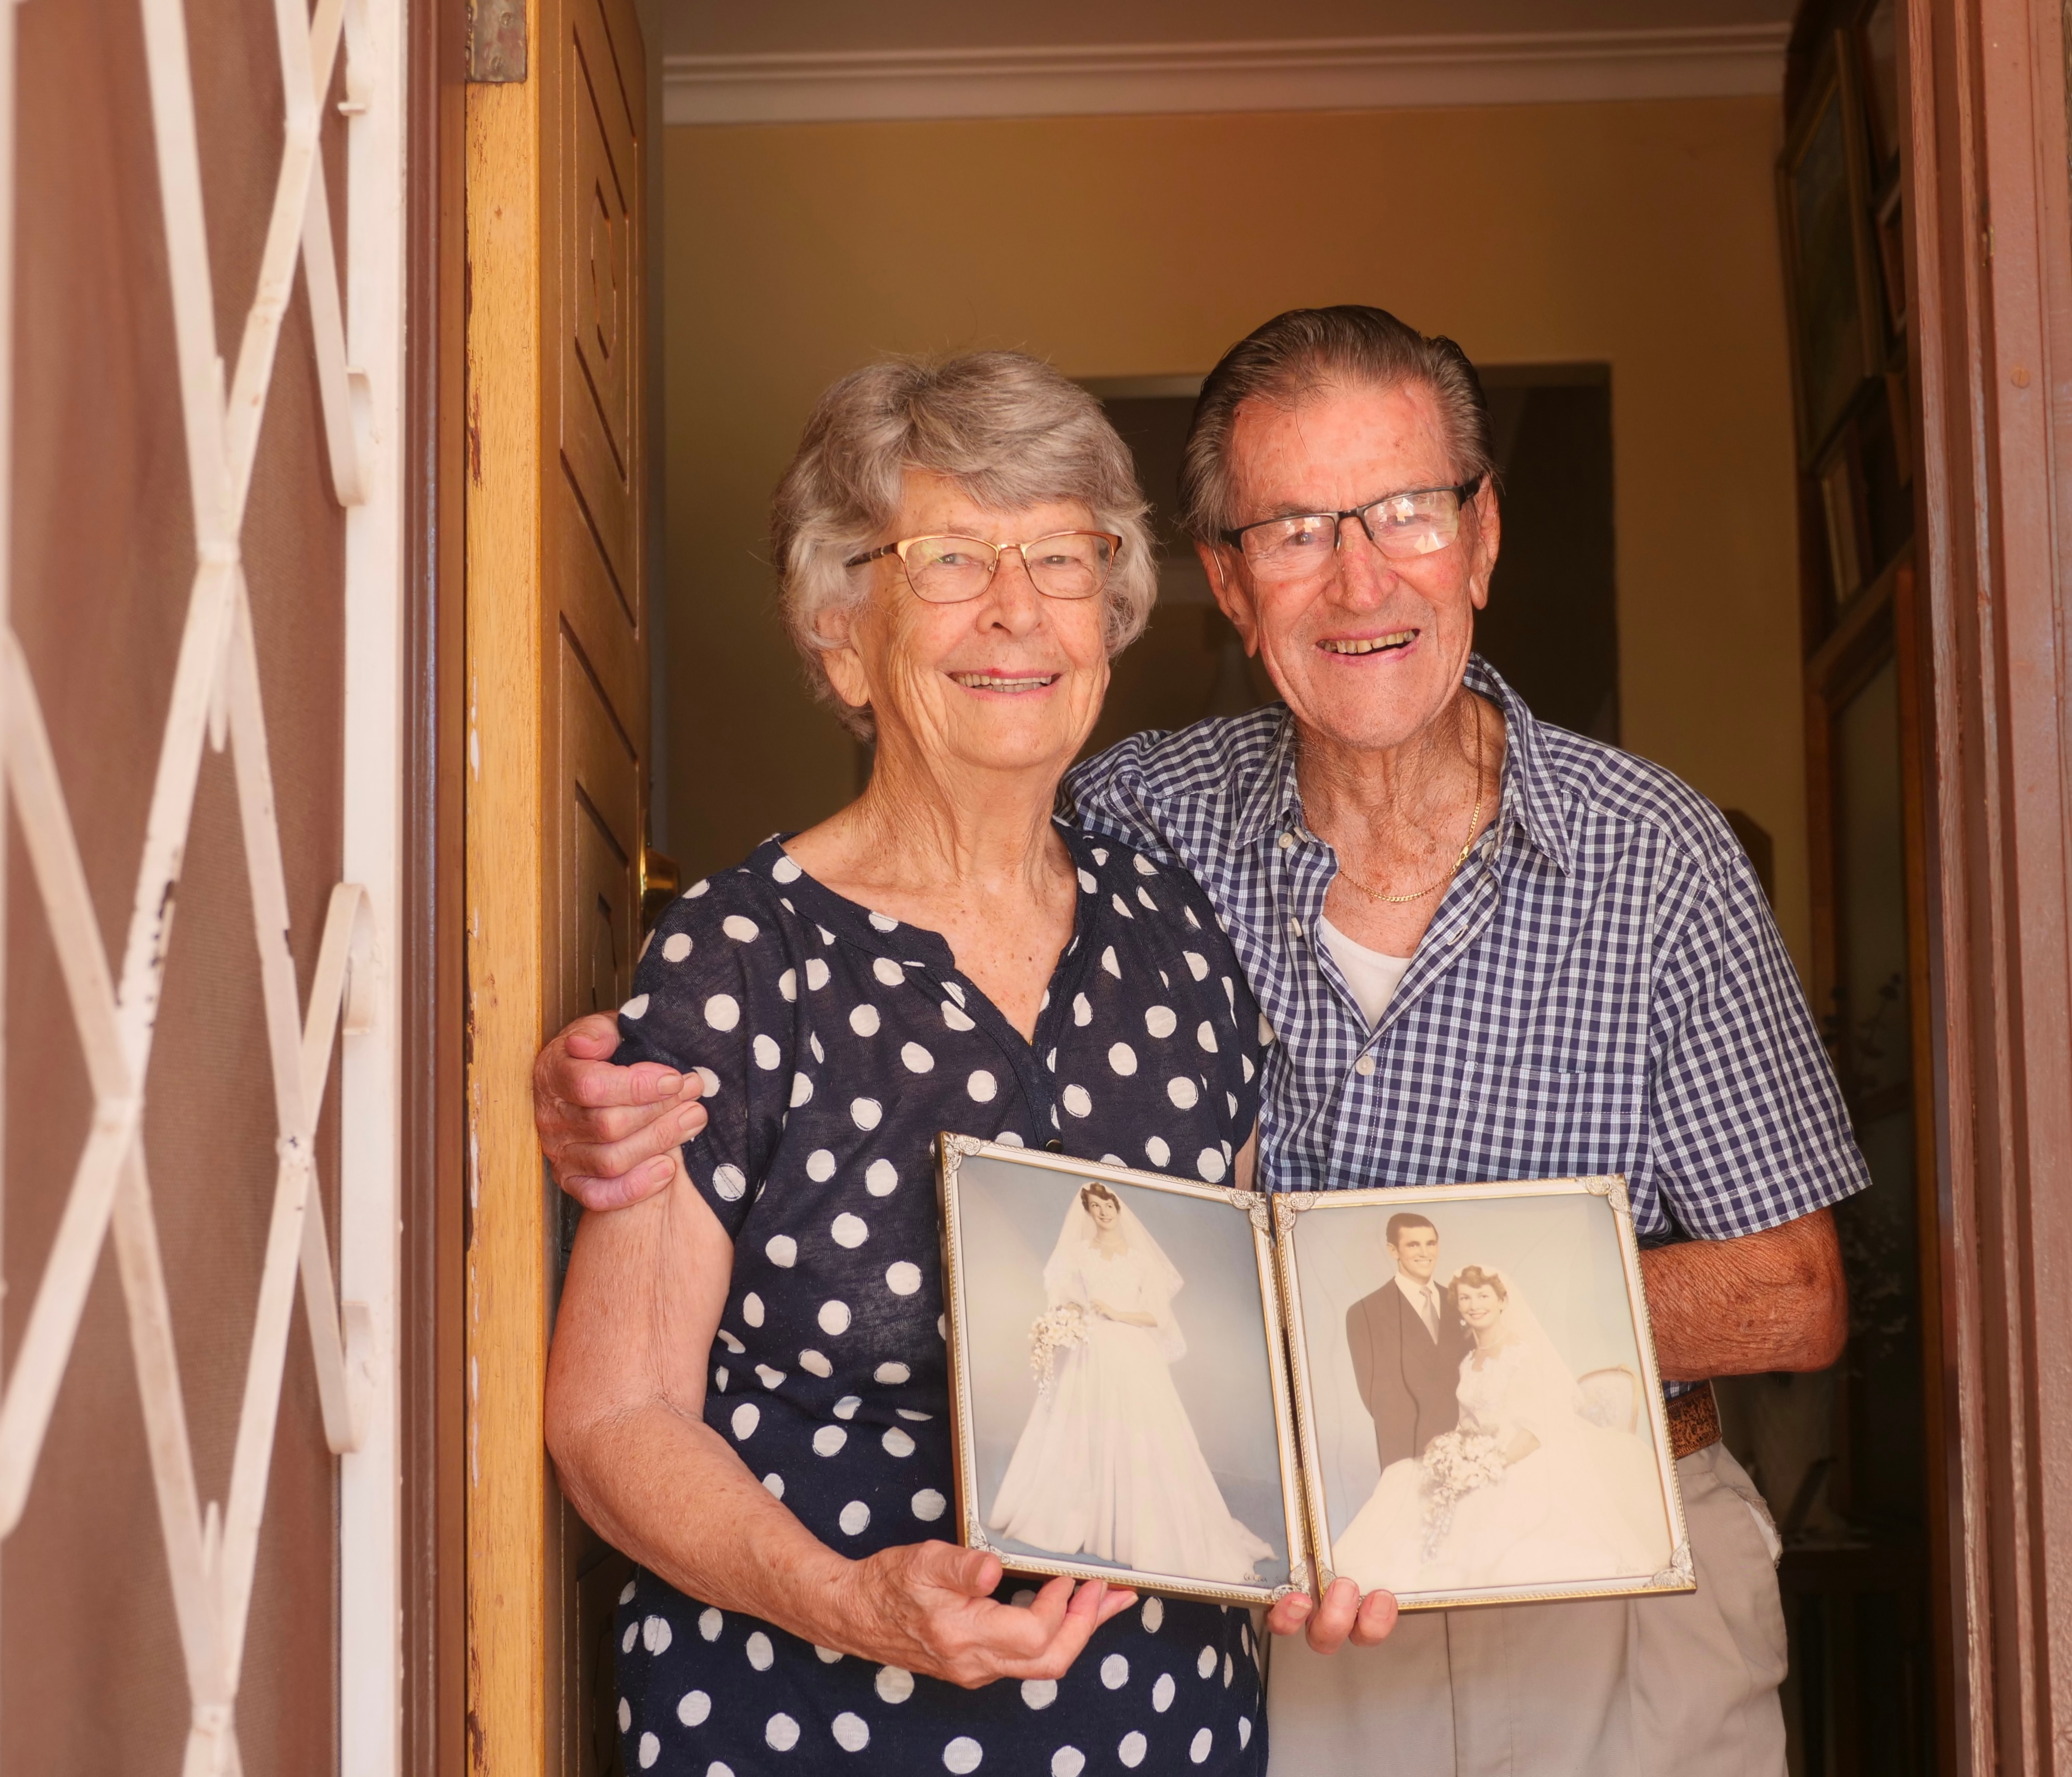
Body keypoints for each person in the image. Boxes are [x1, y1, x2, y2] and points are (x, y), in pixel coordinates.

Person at [538, 306, 1866, 1774]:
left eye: (1408, 512)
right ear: (1228, 583)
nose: (1360, 577)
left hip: (1585, 1577)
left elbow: (1793, 1295)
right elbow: (624, 1375)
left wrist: (1376, 1346)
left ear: (1479, 539)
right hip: (1196, 1648)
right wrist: (585, 1076)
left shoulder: (1643, 855)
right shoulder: (1131, 829)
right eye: (1294, 529)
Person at [542, 352, 1278, 1776]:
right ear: (839, 635)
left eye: (1062, 556)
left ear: (1110, 619)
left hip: (1162, 1723)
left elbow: (1244, 1356)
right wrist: (846, 1595)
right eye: (948, 558)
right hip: (812, 1714)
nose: (1016, 610)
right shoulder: (740, 953)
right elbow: (611, 1415)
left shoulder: (1176, 936)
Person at [989, 1180, 1277, 1583]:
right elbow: (1062, 1293)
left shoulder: (1143, 1260)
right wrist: (1064, 1320)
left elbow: (1156, 1317)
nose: (1103, 1212)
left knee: (1141, 1434)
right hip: (1091, 1349)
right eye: (1095, 1206)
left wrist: (1117, 1312)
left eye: (1108, 1204)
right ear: (1087, 1212)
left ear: (1118, 1207)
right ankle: (1087, 1522)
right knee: (1085, 1430)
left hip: (1133, 1351)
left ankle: (1132, 1529)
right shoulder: (1078, 1253)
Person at [1330, 1265, 1671, 1595]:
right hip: (1484, 1450)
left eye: (1483, 1295)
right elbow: (1470, 1421)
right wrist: (1452, 1446)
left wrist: (1489, 1463)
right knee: (1404, 1478)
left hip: (1526, 1453)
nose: (1474, 1305)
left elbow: (1537, 1429)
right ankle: (1361, 1585)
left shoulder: (1521, 1354)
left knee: (1484, 1510)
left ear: (1503, 1301)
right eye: (1465, 1298)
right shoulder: (1469, 1360)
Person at [1343, 1212, 1470, 1469]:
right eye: (1413, 1245)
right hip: (1408, 1449)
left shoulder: (1462, 1303)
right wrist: (1432, 1443)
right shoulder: (1366, 1312)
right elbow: (1376, 1396)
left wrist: (1463, 1437)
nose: (1425, 1253)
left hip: (1466, 1446)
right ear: (1393, 1251)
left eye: (1430, 1243)